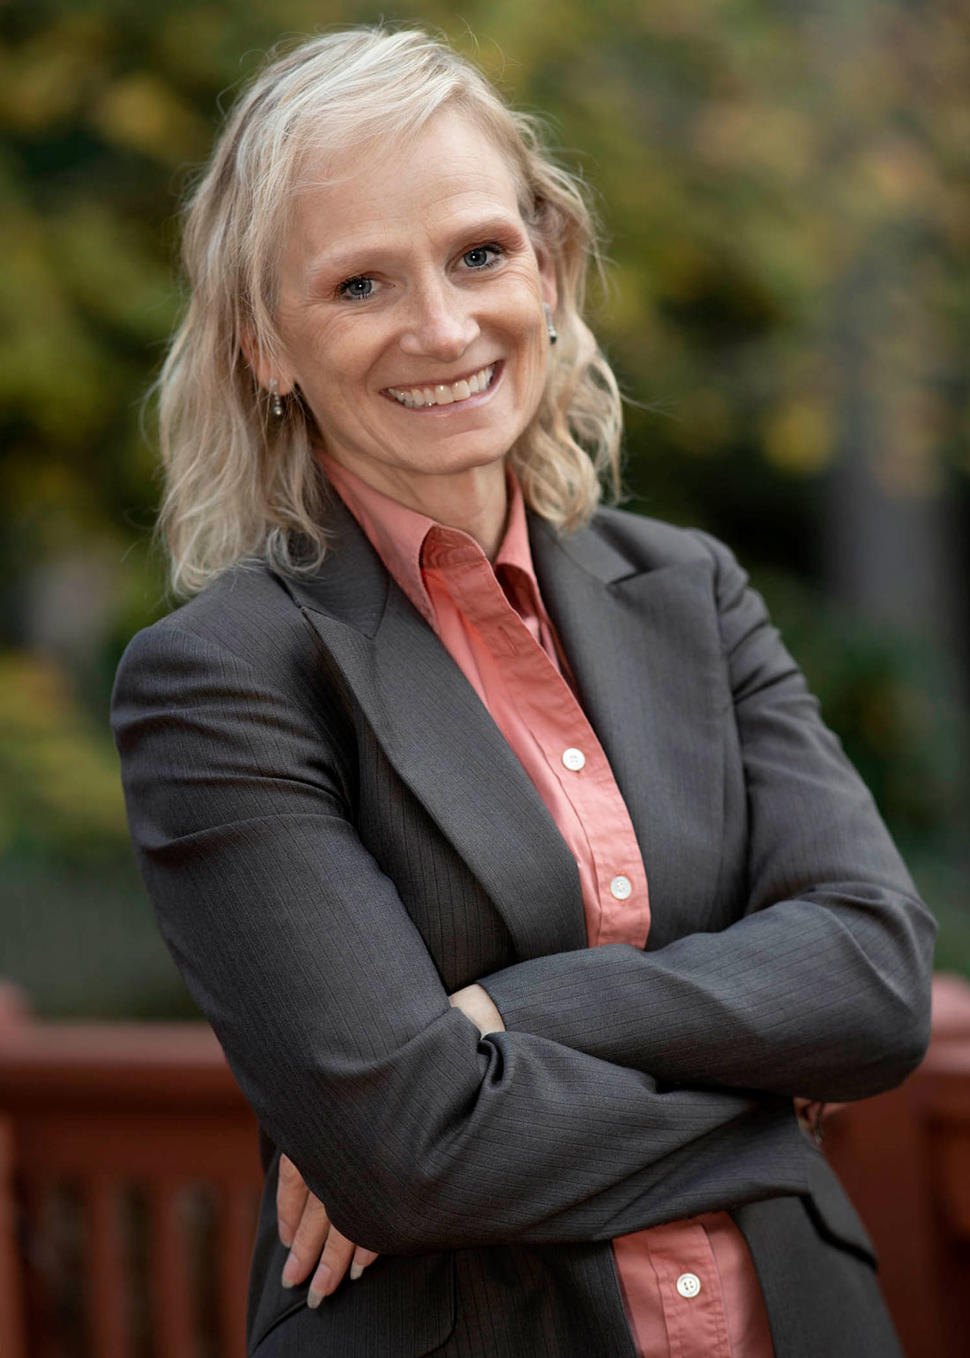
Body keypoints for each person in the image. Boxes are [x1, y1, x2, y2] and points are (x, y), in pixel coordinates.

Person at [111, 26, 936, 1358]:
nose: (442, 326)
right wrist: (758, 1109)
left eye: (479, 254)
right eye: (361, 284)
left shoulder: (691, 593)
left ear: (545, 267)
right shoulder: (222, 678)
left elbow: (876, 976)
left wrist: (508, 1013)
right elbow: (407, 1150)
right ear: (267, 346)